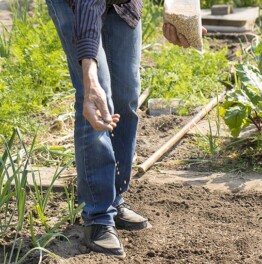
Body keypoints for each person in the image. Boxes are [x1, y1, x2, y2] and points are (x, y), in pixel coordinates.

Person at [46, 0, 196, 258]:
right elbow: (88, 5)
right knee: (96, 98)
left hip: (123, 5)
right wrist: (90, 78)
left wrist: (179, 11)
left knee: (126, 98)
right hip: (77, 4)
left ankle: (114, 199)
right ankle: (98, 214)